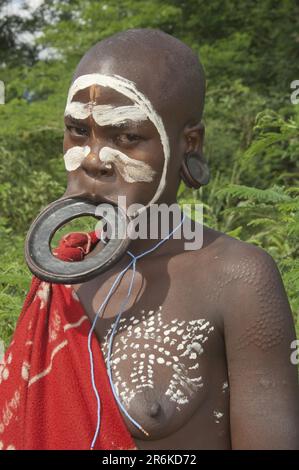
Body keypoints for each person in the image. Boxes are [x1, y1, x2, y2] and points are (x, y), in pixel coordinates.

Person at [1, 28, 298, 450]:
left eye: (127, 137)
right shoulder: (63, 272)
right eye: (78, 131)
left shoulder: (238, 279)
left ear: (189, 145)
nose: (93, 159)